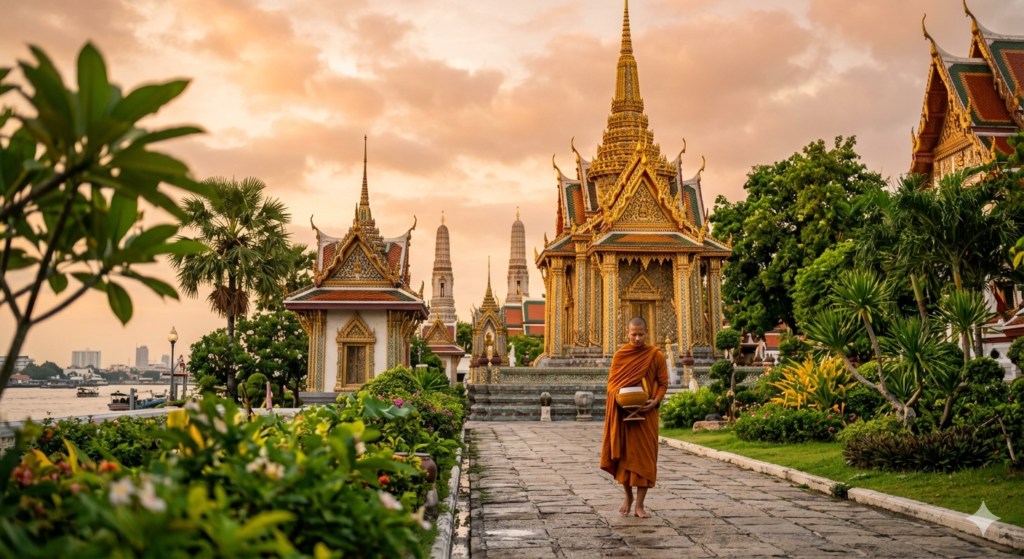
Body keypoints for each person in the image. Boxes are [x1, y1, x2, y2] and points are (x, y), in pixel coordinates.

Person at [600, 316, 669, 519]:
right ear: (627, 333)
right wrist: (621, 400)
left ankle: (640, 505)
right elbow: (612, 386)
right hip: (624, 413)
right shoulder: (620, 356)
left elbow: (663, 383)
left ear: (646, 333)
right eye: (634, 334)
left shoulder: (655, 355)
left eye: (641, 334)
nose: (637, 338)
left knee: (645, 459)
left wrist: (655, 400)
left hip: (647, 414)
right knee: (625, 458)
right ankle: (628, 497)